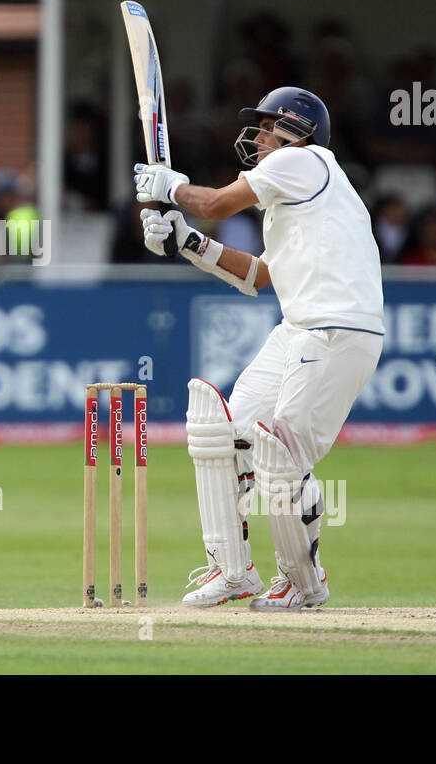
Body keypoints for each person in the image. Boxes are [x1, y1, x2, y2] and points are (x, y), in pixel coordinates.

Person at [134, 87, 383, 611]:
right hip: (299, 328)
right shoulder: (296, 196)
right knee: (220, 433)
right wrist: (187, 242)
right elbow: (260, 276)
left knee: (280, 457)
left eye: (269, 125)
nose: (260, 135)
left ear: (297, 130)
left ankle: (304, 583)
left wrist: (174, 189)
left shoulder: (306, 162)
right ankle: (233, 571)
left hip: (338, 332)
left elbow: (220, 202)